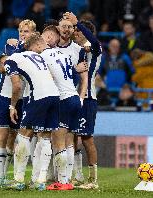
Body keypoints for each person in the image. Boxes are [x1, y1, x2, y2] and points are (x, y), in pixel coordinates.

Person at [25, 30, 88, 190]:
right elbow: (72, 75)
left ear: (39, 44)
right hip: (74, 97)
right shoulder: (62, 54)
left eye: (33, 50)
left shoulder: (43, 57)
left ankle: (63, 182)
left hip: (63, 99)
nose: (34, 54)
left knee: (58, 142)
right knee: (68, 141)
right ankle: (67, 180)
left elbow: (48, 78)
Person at [6, 50, 60, 191]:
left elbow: (17, 86)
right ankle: (41, 181)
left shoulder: (11, 60)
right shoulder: (35, 56)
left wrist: (12, 106)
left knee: (24, 135)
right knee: (46, 138)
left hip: (39, 96)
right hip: (54, 95)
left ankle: (18, 179)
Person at [0, 19, 36, 188]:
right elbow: (12, 57)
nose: (22, 34)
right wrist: (18, 42)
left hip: (22, 98)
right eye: (21, 31)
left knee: (16, 137)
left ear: (33, 33)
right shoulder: (10, 47)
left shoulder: (35, 50)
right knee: (3, 135)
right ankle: (0, 177)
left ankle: (14, 175)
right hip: (5, 96)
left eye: (26, 32)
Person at [64, 12, 102, 189]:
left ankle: (93, 180)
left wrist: (77, 23)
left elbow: (93, 42)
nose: (75, 33)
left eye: (78, 31)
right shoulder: (74, 50)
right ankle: (76, 176)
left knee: (86, 138)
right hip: (72, 97)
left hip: (88, 98)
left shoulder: (95, 48)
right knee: (71, 137)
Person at [56, 16, 87, 184]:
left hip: (69, 97)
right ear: (58, 28)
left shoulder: (78, 49)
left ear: (73, 30)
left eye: (69, 26)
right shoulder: (50, 48)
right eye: (64, 26)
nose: (66, 29)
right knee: (52, 137)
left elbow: (84, 77)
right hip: (53, 97)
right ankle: (59, 177)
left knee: (69, 137)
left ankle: (66, 178)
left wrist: (81, 96)